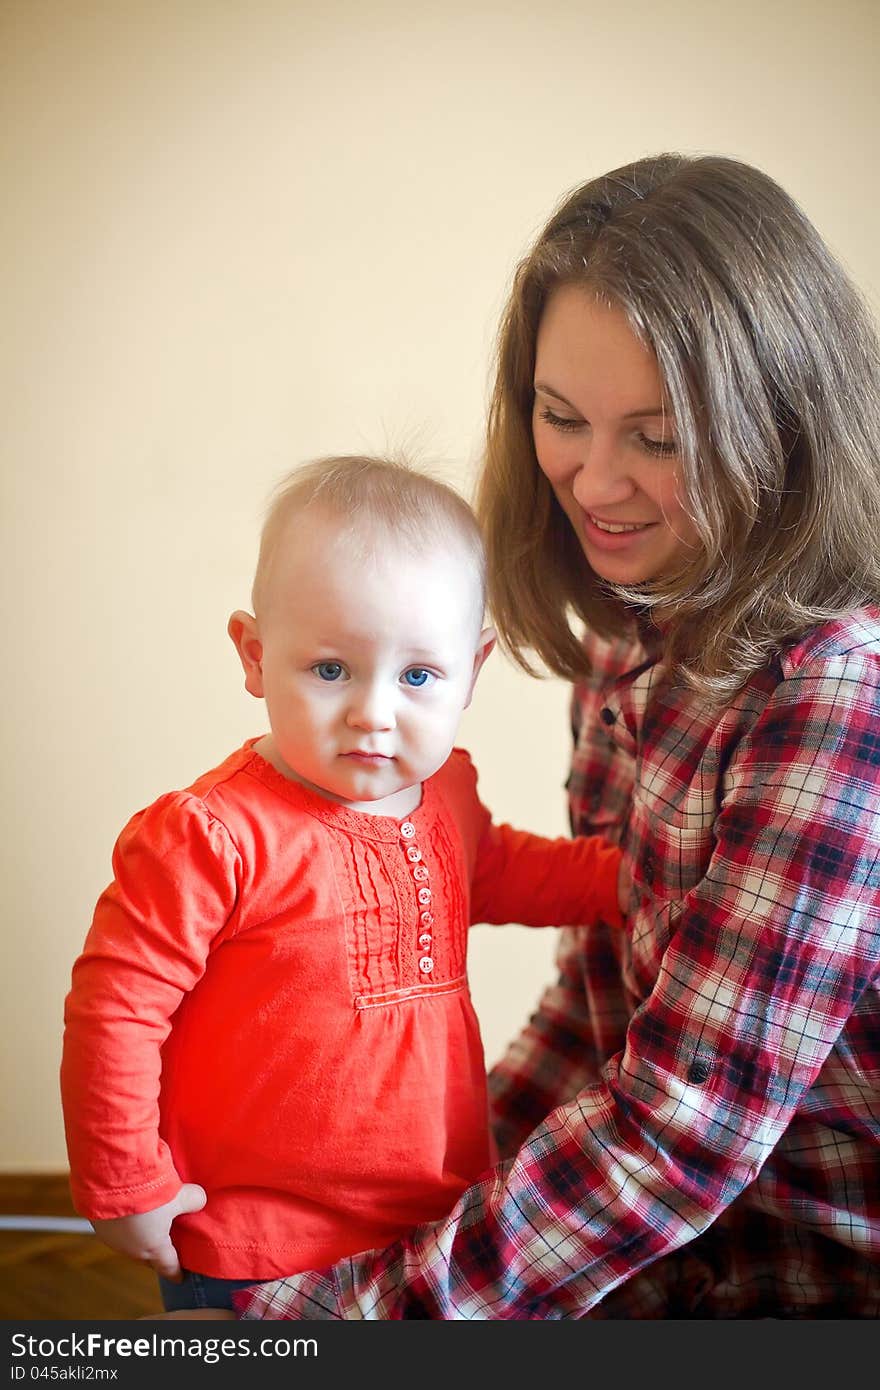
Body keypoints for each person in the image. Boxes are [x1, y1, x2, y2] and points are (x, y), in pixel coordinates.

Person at [213, 153, 880, 1320]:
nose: (593, 480)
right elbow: (595, 1015)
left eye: (658, 439)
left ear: (777, 432)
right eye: (559, 418)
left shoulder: (841, 698)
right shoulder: (636, 637)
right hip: (663, 1261)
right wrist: (411, 1206)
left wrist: (349, 1317)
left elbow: (677, 1133)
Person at [60, 453, 629, 1312]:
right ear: (255, 656)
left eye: (417, 676)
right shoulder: (210, 836)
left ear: (471, 670)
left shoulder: (447, 795)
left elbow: (504, 873)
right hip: (251, 1237)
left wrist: (633, 877)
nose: (373, 712)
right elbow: (117, 1011)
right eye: (331, 670)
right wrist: (123, 1181)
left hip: (429, 1218)